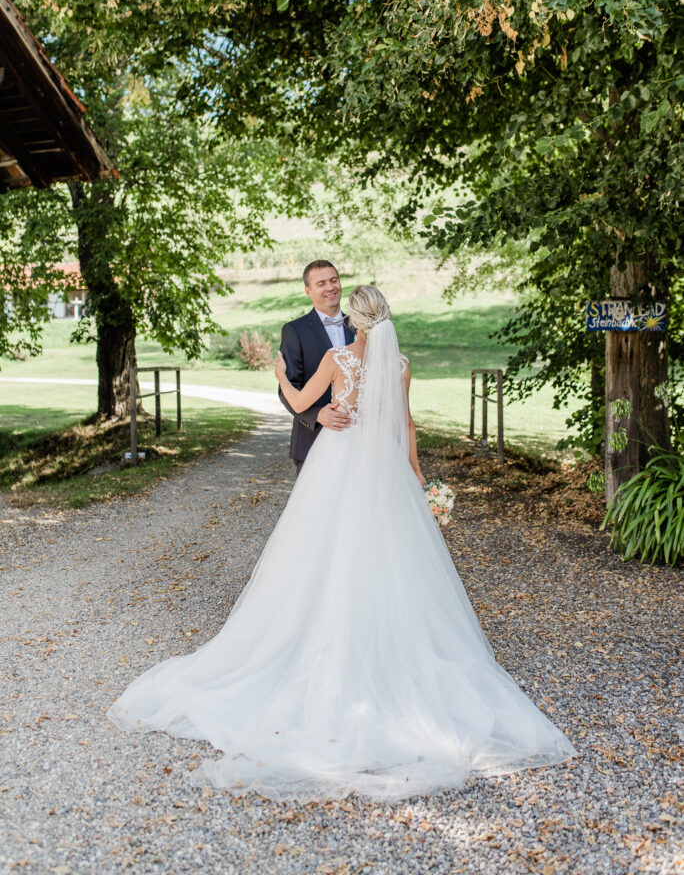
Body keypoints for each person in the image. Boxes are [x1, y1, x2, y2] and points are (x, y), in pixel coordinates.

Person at [107, 285, 575, 803]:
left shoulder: (338, 359)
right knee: (390, 557)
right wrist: (417, 477)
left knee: (319, 553)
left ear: (355, 320)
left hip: (338, 463)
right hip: (385, 468)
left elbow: (304, 402)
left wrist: (282, 374)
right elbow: (406, 424)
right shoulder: (400, 365)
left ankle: (325, 634)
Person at [278, 259, 355, 475]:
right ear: (308, 291)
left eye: (334, 280)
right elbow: (286, 388)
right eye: (321, 284)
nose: (330, 287)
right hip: (312, 439)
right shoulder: (294, 331)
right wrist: (316, 415)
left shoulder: (360, 326)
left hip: (358, 441)